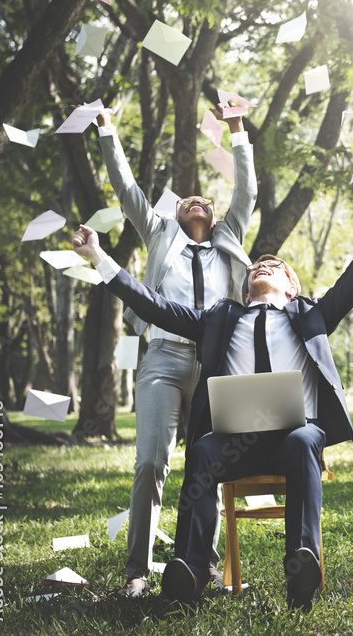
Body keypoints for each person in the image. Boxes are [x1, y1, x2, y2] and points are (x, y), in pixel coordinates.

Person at [73, 163, 353, 611]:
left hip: (294, 439)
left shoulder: (312, 316)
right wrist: (99, 259)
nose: (262, 264)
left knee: (305, 438)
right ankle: (193, 570)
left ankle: (301, 564)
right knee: (201, 450)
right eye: (258, 263)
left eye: (274, 265)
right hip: (234, 444)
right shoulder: (220, 318)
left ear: (291, 288)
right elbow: (154, 306)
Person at [95, 104, 256, 597]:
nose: (196, 200)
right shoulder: (160, 233)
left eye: (204, 199)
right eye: (187, 199)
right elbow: (127, 192)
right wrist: (107, 130)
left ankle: (202, 562)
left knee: (206, 464)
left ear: (213, 215)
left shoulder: (229, 238)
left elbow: (247, 191)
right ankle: (137, 573)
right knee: (150, 463)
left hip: (216, 365)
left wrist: (237, 130)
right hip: (163, 357)